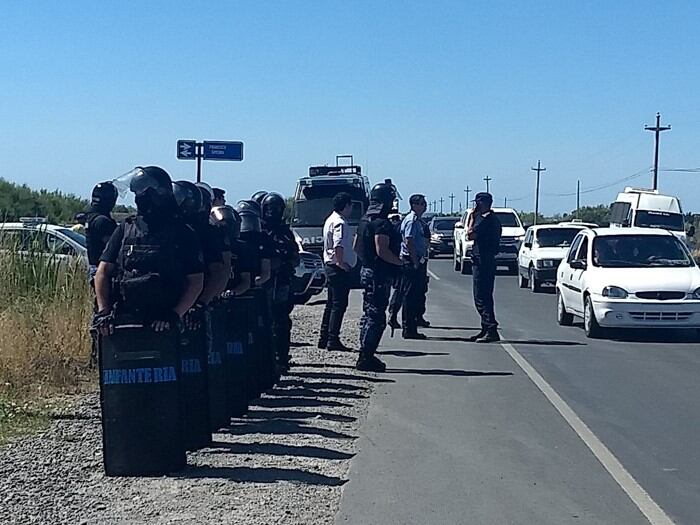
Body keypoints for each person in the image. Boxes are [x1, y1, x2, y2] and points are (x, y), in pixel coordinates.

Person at [93, 166, 204, 335]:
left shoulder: (182, 233)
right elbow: (102, 272)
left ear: (159, 193)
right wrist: (104, 312)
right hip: (126, 320)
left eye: (142, 193)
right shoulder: (126, 228)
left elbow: (196, 281)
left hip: (165, 325)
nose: (138, 198)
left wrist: (174, 314)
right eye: (136, 193)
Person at [354, 182, 403, 372]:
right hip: (379, 275)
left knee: (368, 315)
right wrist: (400, 263)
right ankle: (366, 357)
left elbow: (356, 247)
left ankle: (365, 354)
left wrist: (367, 262)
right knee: (376, 317)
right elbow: (382, 250)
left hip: (368, 271)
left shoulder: (364, 220)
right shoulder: (381, 223)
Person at [261, 192, 300, 370]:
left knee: (282, 321)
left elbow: (295, 256)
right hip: (263, 282)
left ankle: (282, 357)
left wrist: (284, 262)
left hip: (283, 281)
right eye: (269, 208)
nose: (273, 212)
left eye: (276, 209)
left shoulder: (286, 233)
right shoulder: (258, 231)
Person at [318, 192, 357, 351]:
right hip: (337, 268)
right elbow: (338, 245)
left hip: (330, 266)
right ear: (346, 206)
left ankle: (324, 337)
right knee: (339, 305)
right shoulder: (339, 222)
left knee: (331, 304)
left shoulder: (330, 219)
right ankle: (332, 339)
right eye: (350, 205)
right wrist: (342, 263)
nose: (351, 208)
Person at [467, 192, 502, 343]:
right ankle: (485, 328)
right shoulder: (492, 219)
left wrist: (472, 218)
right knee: (484, 295)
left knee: (481, 297)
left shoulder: (485, 220)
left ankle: (491, 328)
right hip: (486, 259)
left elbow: (470, 235)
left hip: (483, 261)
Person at [398, 194, 429, 339]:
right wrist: (415, 261)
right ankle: (408, 329)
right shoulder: (411, 220)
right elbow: (409, 240)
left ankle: (412, 327)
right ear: (414, 205)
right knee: (409, 296)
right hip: (411, 262)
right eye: (422, 203)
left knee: (416, 295)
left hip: (417, 261)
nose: (425, 206)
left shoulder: (418, 220)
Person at [85, 182, 118, 280]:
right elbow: (112, 247)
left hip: (96, 267)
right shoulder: (102, 221)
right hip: (103, 270)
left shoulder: (91, 217)